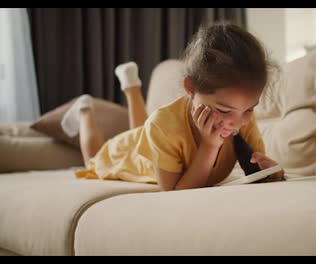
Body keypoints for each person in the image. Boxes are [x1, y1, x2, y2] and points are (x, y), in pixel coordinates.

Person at [61, 21, 284, 191]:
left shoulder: (241, 117)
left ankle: (131, 86)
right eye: (224, 110)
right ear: (190, 89)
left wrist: (271, 172)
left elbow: (257, 170)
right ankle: (84, 109)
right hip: (128, 154)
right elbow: (176, 193)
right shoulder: (163, 125)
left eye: (249, 109)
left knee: (142, 129)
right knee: (93, 161)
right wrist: (209, 146)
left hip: (151, 138)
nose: (238, 121)